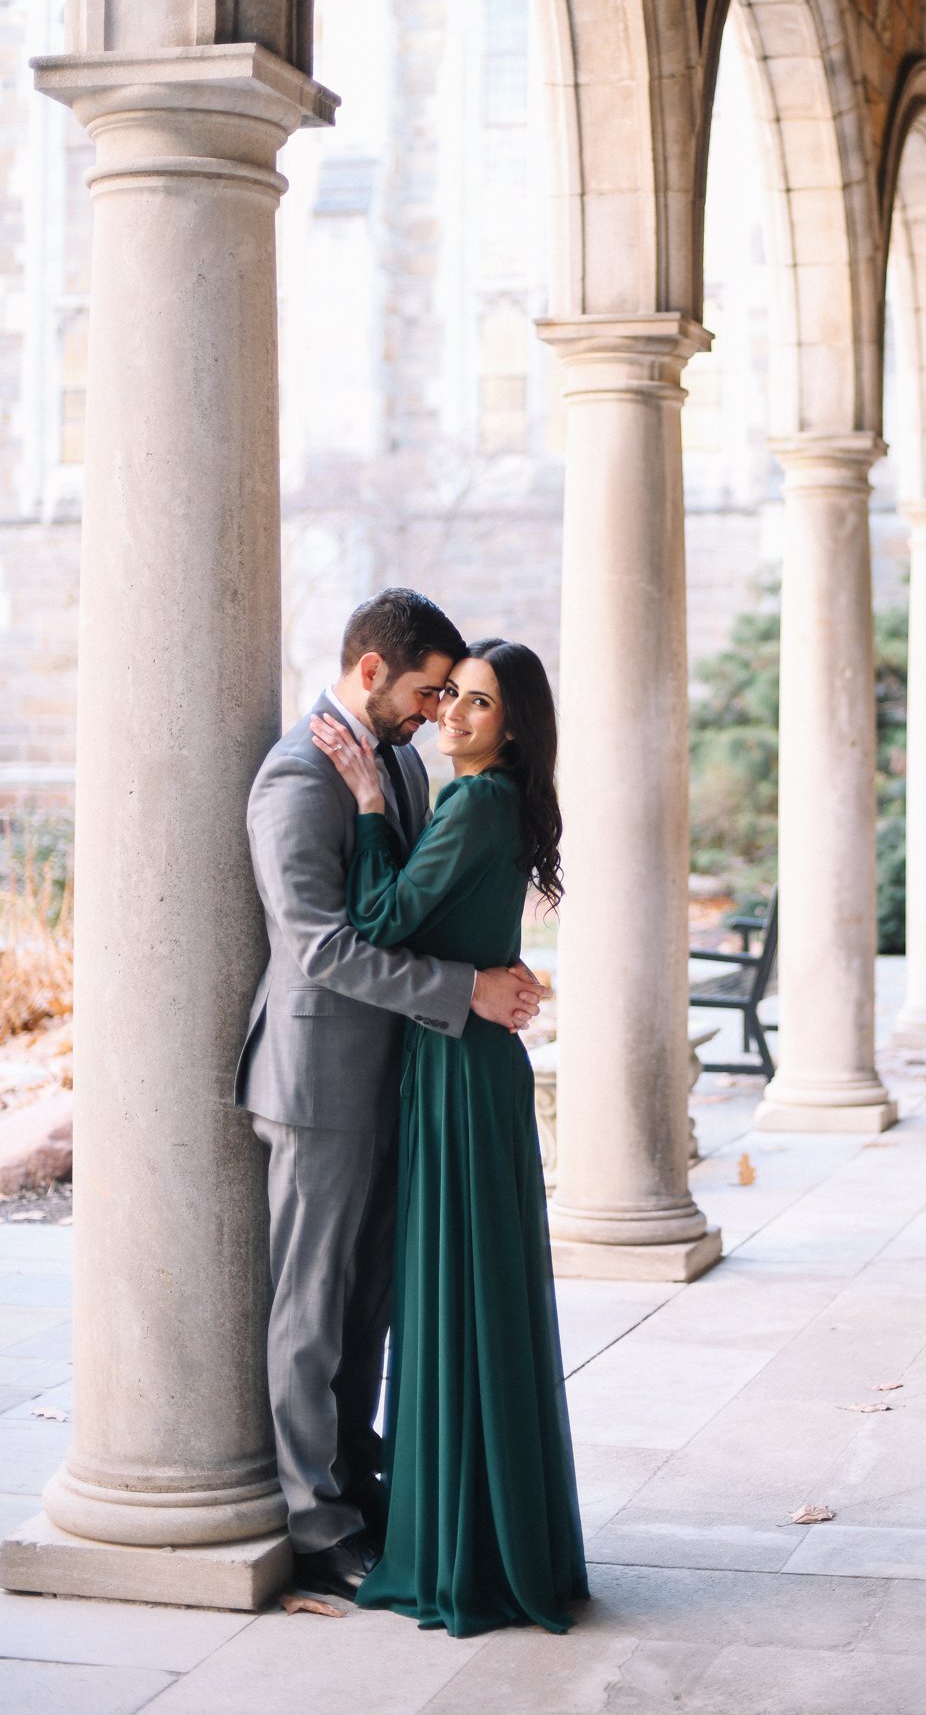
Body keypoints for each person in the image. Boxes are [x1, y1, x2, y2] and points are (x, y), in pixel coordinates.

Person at [237, 589, 542, 1601]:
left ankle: (358, 1475)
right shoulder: (293, 777)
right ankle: (313, 1518)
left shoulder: (404, 764)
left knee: (369, 1303)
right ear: (371, 670)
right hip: (319, 1077)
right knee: (313, 1308)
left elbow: (417, 904)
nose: (429, 712)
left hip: (401, 1078)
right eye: (422, 691)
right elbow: (321, 948)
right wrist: (466, 992)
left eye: (448, 696)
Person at [310, 636, 588, 1636]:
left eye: (477, 706)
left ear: (512, 727)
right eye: (451, 699)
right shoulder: (491, 801)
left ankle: (464, 1549)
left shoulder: (474, 801)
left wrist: (374, 809)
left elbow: (380, 918)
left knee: (456, 1293)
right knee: (469, 1296)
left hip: (458, 1072)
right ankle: (490, 1529)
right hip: (468, 1062)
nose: (453, 718)